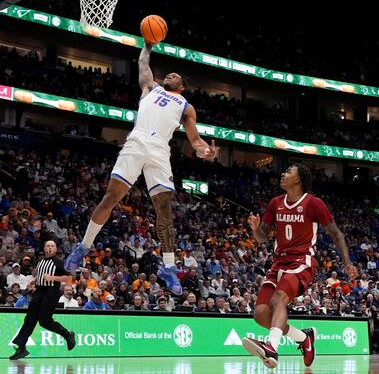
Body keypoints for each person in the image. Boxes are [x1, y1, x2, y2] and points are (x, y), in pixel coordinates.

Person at [64, 42, 216, 295]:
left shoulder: (186, 107)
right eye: (169, 74)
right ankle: (83, 246)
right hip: (137, 141)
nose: (170, 75)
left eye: (175, 76)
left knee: (164, 209)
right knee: (111, 197)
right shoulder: (151, 86)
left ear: (182, 86)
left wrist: (205, 152)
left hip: (159, 150)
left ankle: (168, 267)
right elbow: (143, 64)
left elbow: (196, 140)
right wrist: (147, 44)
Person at [241, 163, 358, 368]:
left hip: (302, 261)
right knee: (260, 314)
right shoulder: (275, 203)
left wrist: (347, 262)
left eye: (288, 172)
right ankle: (304, 338)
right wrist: (255, 228)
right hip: (279, 262)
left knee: (279, 299)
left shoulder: (314, 203)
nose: (283, 174)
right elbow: (261, 238)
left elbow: (336, 233)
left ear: (298, 180)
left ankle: (272, 347)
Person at [9, 240, 76, 360]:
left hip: (51, 292)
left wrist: (52, 277)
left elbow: (70, 279)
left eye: (52, 246)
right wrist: (34, 281)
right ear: (44, 249)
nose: (50, 248)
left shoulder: (60, 263)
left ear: (55, 250)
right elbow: (41, 276)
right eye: (48, 246)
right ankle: (21, 348)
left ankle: (67, 335)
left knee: (45, 321)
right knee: (29, 319)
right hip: (39, 292)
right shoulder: (40, 262)